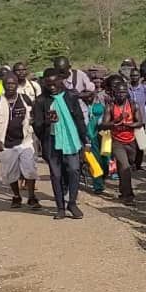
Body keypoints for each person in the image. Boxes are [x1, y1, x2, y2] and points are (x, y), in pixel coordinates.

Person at [33, 68, 90, 220]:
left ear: (60, 81)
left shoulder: (70, 96)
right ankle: (60, 208)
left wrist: (85, 139)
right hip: (51, 142)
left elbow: (79, 119)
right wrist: (46, 121)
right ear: (44, 83)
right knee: (56, 175)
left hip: (71, 140)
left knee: (74, 170)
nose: (52, 87)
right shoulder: (40, 101)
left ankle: (72, 203)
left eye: (54, 83)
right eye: (48, 84)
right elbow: (36, 126)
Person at [0, 73, 39, 209]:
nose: (10, 86)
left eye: (13, 83)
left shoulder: (25, 99)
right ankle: (16, 196)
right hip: (6, 143)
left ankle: (32, 197)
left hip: (25, 141)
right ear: (3, 85)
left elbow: (34, 115)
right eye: (8, 83)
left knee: (30, 170)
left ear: (17, 85)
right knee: (11, 173)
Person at [101, 80, 143, 206]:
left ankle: (122, 189)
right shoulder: (110, 106)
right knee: (125, 166)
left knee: (127, 165)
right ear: (114, 93)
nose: (121, 95)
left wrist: (129, 124)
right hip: (117, 141)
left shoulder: (133, 105)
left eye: (124, 92)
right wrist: (116, 122)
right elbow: (103, 124)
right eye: (119, 92)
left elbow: (140, 122)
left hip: (131, 140)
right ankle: (128, 196)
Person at [85, 86, 109, 195]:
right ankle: (98, 185)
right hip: (89, 136)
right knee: (94, 161)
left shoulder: (101, 103)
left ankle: (103, 176)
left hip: (103, 135)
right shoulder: (79, 106)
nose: (88, 96)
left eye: (90, 94)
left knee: (105, 160)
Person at [127, 68, 146, 170]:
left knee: (141, 143)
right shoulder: (127, 89)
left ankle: (138, 164)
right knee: (131, 142)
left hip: (141, 119)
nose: (134, 78)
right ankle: (131, 163)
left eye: (136, 75)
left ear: (139, 77)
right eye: (132, 76)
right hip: (130, 119)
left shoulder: (144, 88)